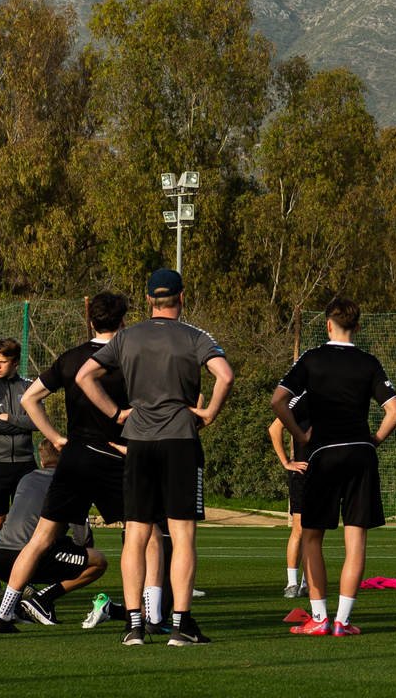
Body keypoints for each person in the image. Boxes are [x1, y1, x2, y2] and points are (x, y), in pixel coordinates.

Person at [76, 267, 234, 647]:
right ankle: (180, 625)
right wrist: (210, 412)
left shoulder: (127, 337)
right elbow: (225, 375)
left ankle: (133, 625)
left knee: (136, 533)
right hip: (180, 439)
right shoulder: (195, 336)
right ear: (182, 296)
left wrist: (116, 413)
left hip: (139, 442)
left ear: (148, 300)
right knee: (182, 535)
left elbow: (85, 376)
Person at [0, 292, 159, 635]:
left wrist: (55, 437)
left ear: (90, 321)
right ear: (124, 321)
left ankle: (4, 612)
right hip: (116, 457)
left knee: (40, 538)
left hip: (75, 457)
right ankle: (149, 616)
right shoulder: (130, 358)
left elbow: (30, 398)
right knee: (147, 535)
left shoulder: (70, 359)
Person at [273, 295, 396, 637]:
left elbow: (277, 400)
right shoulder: (369, 362)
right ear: (357, 327)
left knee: (312, 537)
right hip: (360, 454)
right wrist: (372, 441)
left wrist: (299, 432)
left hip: (324, 455)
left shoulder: (312, 359)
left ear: (328, 324)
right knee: (355, 540)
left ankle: (319, 619)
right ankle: (343, 621)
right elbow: (395, 412)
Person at [0, 440, 113, 631]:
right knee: (98, 562)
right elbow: (82, 537)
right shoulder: (68, 484)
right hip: (26, 557)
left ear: (43, 459)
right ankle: (42, 599)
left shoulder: (27, 478)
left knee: (55, 545)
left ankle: (12, 611)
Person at [0, 337, 38, 571]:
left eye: (2, 362)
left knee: (27, 522)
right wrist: (23, 422)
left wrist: (11, 418)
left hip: (26, 463)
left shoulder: (29, 385)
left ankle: (24, 573)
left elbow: (38, 422)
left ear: (15, 363)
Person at [268, 413, 308, 597]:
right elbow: (275, 428)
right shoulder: (298, 399)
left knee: (315, 531)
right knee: (299, 528)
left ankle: (308, 582)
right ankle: (292, 583)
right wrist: (286, 462)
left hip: (324, 472)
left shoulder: (329, 395)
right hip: (302, 474)